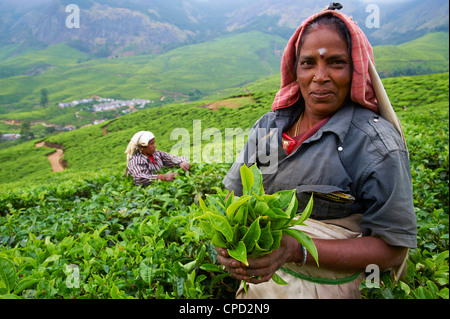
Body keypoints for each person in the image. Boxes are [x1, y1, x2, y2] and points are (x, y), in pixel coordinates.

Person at [218, 5, 417, 299]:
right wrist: (227, 244)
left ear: (356, 69)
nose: (319, 76)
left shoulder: (374, 144)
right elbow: (232, 201)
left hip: (329, 287)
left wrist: (296, 250)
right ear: (295, 69)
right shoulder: (268, 127)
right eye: (308, 63)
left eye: (336, 63)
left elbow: (392, 249)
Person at [125, 130, 190, 186]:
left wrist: (181, 162)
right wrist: (162, 177)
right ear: (142, 147)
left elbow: (171, 158)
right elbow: (139, 178)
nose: (154, 146)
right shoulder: (136, 160)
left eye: (154, 143)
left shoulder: (156, 154)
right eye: (151, 144)